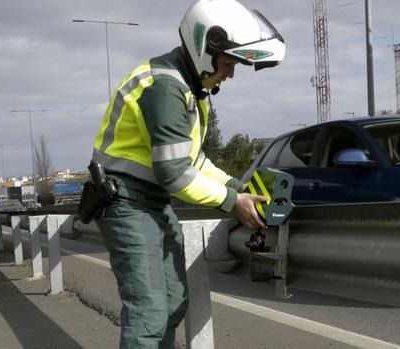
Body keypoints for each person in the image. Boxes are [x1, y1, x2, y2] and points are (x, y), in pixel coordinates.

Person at [89, 0, 285, 347]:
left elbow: (192, 160)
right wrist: (232, 201)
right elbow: (175, 174)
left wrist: (235, 185)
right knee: (148, 312)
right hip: (127, 204)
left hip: (150, 203)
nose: (231, 73)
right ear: (204, 50)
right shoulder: (166, 88)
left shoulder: (187, 87)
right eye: (227, 63)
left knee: (172, 303)